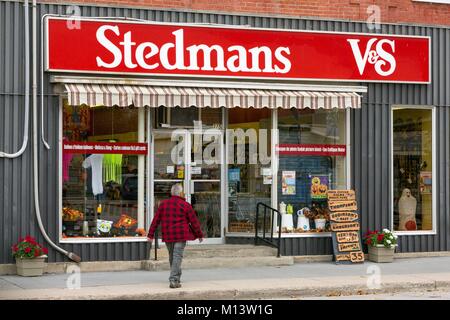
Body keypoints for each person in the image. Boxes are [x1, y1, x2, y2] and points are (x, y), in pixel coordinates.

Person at [147, 183, 203, 288]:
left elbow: (156, 220)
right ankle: (173, 279)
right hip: (181, 234)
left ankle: (176, 277)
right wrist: (199, 234)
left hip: (168, 235)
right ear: (181, 193)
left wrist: (150, 235)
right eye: (183, 192)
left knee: (173, 257)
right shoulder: (186, 205)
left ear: (171, 193)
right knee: (177, 256)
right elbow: (194, 221)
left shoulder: (163, 204)